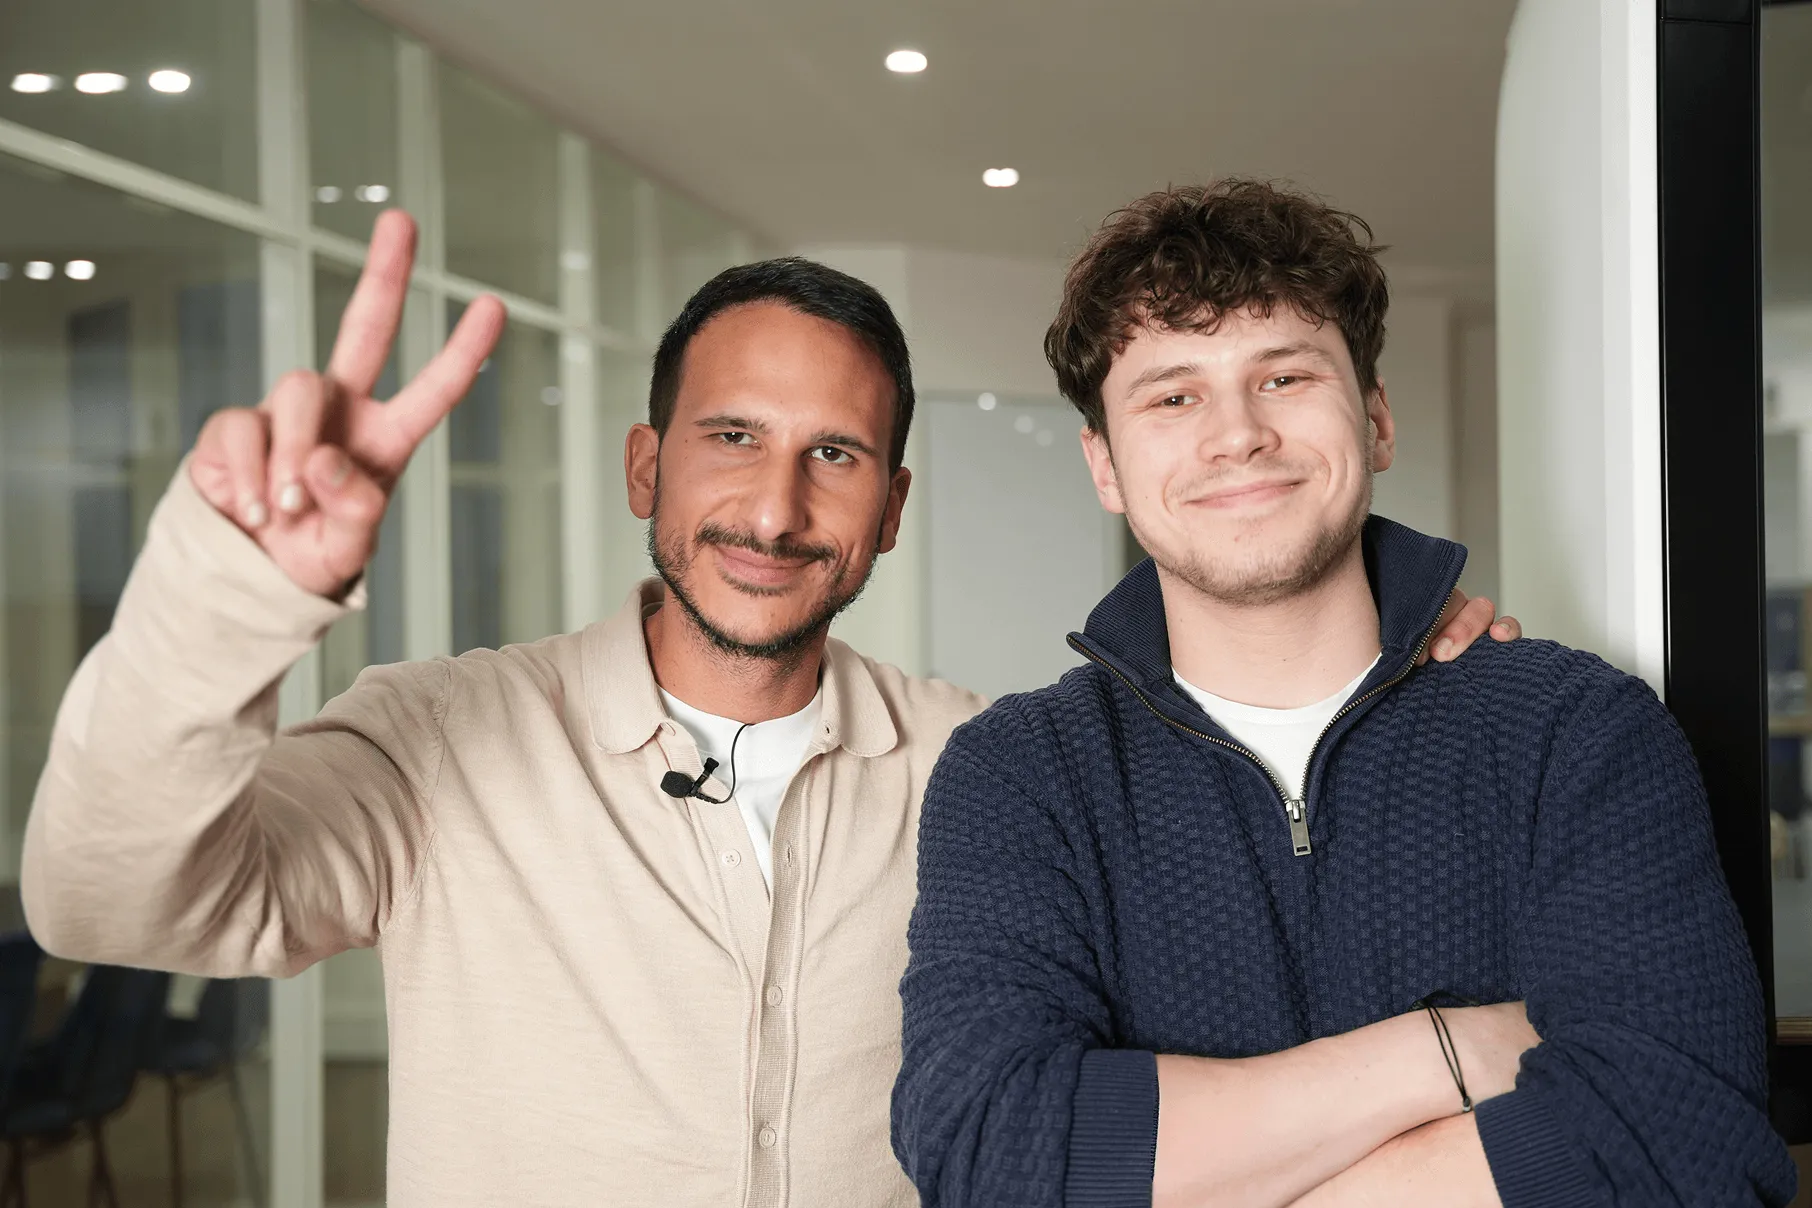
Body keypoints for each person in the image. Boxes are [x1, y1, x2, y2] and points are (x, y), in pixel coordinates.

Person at [23, 211, 1513, 1207]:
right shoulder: (438, 740)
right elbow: (108, 903)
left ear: (893, 510)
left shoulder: (994, 769)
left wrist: (1379, 655)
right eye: (729, 437)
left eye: (839, 457)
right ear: (644, 468)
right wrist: (232, 594)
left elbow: (1244, 1015)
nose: (775, 505)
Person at [892, 179, 1796, 1208]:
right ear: (1104, 463)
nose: (1236, 433)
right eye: (1173, 394)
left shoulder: (1574, 729)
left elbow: (1686, 1149)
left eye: (1283, 376)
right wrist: (1447, 1048)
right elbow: (987, 1152)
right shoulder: (1023, 771)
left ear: (1374, 417)